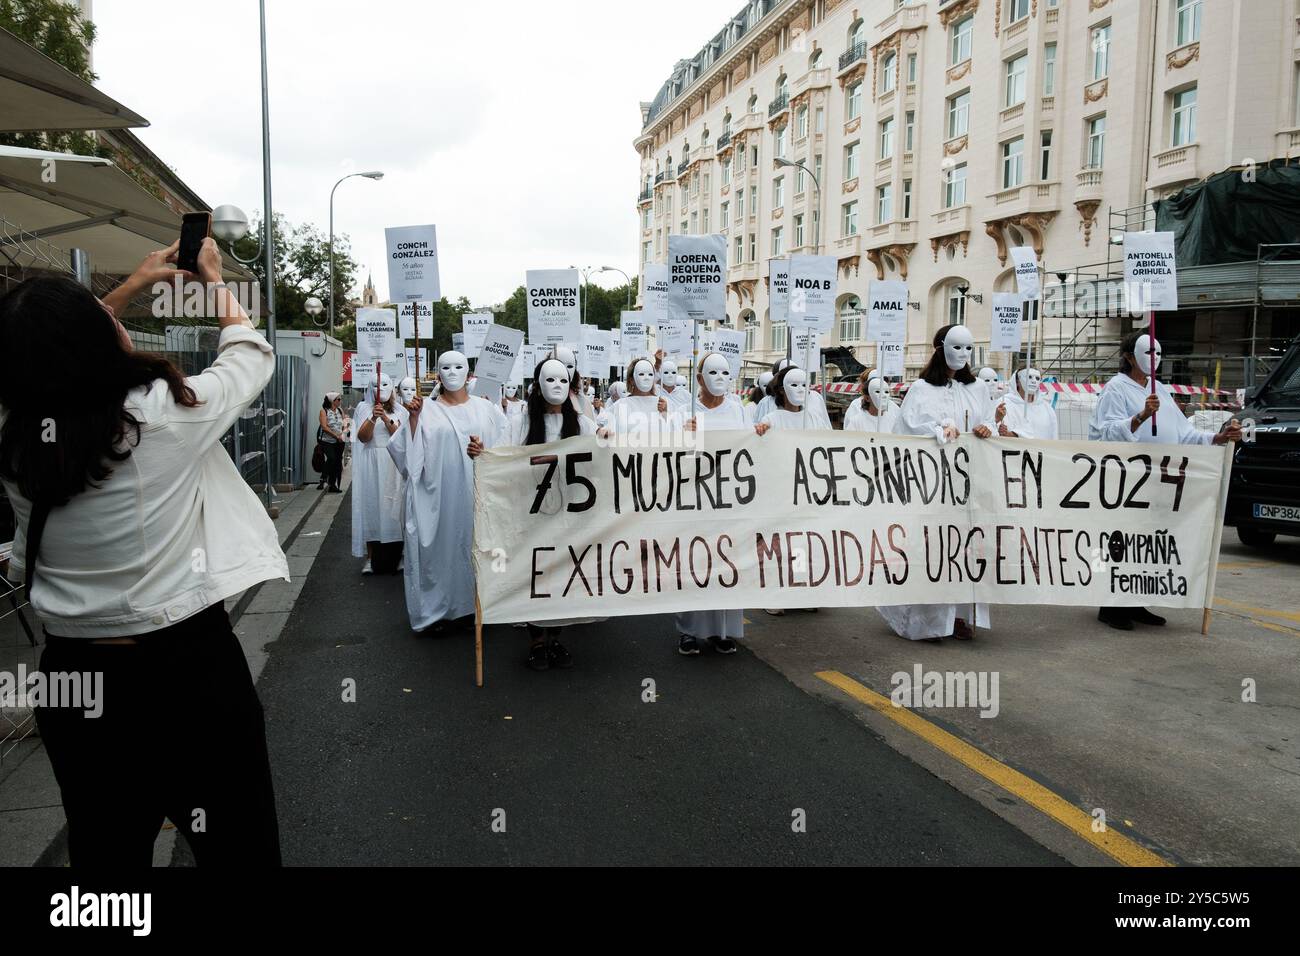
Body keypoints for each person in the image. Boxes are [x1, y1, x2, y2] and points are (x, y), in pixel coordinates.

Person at [0, 238, 284, 866]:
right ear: (97, 341)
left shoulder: (16, 446)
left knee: (106, 855)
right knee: (239, 845)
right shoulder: (158, 419)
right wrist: (209, 279)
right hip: (184, 670)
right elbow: (248, 357)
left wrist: (127, 286)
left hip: (74, 678)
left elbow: (47, 358)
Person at [1088, 332, 1241, 631]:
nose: (1154, 359)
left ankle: (1136, 601)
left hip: (1159, 484)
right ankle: (1110, 605)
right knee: (1121, 541)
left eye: (1159, 353)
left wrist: (1217, 438)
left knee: (1147, 542)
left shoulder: (1164, 392)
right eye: (1147, 353)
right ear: (1130, 357)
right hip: (1126, 484)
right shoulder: (1116, 389)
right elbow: (1104, 433)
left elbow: (1184, 434)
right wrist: (1142, 415)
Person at [879, 324, 994, 642]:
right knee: (931, 548)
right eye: (957, 347)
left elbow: (988, 420)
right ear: (941, 347)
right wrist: (938, 429)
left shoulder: (978, 389)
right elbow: (907, 426)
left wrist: (986, 427)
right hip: (932, 484)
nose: (963, 354)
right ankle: (924, 620)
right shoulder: (920, 389)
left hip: (966, 484)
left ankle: (956, 616)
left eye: (969, 348)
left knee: (963, 548)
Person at [387, 350, 507, 632]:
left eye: (458, 367)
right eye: (446, 367)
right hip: (437, 495)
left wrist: (484, 452)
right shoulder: (425, 409)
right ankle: (435, 611)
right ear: (437, 373)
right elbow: (405, 453)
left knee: (474, 547)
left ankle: (472, 606)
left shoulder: (485, 409)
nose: (452, 372)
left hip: (476, 492)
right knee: (440, 551)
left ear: (469, 373)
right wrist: (414, 420)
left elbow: (505, 447)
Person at [508, 358, 598, 669]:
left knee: (563, 576)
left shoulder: (584, 424)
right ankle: (535, 640)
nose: (557, 386)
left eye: (563, 380)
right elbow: (502, 459)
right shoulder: (521, 424)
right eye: (550, 380)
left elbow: (603, 460)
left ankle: (555, 636)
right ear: (537, 385)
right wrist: (481, 453)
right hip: (533, 516)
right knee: (537, 576)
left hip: (570, 518)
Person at [675, 353, 753, 655]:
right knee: (693, 563)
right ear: (699, 378)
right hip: (694, 500)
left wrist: (759, 434)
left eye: (725, 371)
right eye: (712, 371)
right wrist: (684, 434)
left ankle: (724, 631)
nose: (719, 377)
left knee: (727, 564)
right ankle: (688, 631)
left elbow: (752, 448)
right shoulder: (684, 412)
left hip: (730, 501)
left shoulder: (739, 412)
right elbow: (667, 454)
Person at [352, 372, 407, 575]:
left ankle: (400, 556)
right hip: (372, 462)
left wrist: (385, 416)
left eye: (384, 385)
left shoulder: (400, 410)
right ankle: (370, 557)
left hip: (392, 462)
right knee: (372, 506)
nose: (380, 389)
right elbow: (363, 437)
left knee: (395, 508)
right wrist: (373, 417)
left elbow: (400, 436)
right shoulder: (362, 408)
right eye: (376, 385)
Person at [603, 358, 673, 439]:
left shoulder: (664, 402)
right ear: (632, 379)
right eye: (641, 374)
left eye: (650, 374)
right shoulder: (620, 405)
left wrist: (665, 414)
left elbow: (675, 434)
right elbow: (603, 430)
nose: (646, 378)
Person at [756, 365, 831, 433]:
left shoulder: (815, 419)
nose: (800, 389)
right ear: (782, 390)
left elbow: (828, 439)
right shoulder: (771, 420)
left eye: (804, 385)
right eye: (794, 385)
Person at [997, 367, 1059, 440]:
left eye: (1037, 378)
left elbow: (1053, 436)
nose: (1033, 381)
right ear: (1017, 381)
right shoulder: (1004, 403)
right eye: (1029, 377)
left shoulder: (1046, 408)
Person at [317, 392, 345, 491]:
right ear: (332, 401)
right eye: (338, 399)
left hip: (339, 441)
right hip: (327, 441)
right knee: (331, 458)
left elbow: (344, 424)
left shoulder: (340, 410)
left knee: (337, 462)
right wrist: (336, 436)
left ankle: (332, 485)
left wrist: (344, 433)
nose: (340, 401)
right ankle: (323, 478)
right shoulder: (324, 411)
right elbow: (324, 427)